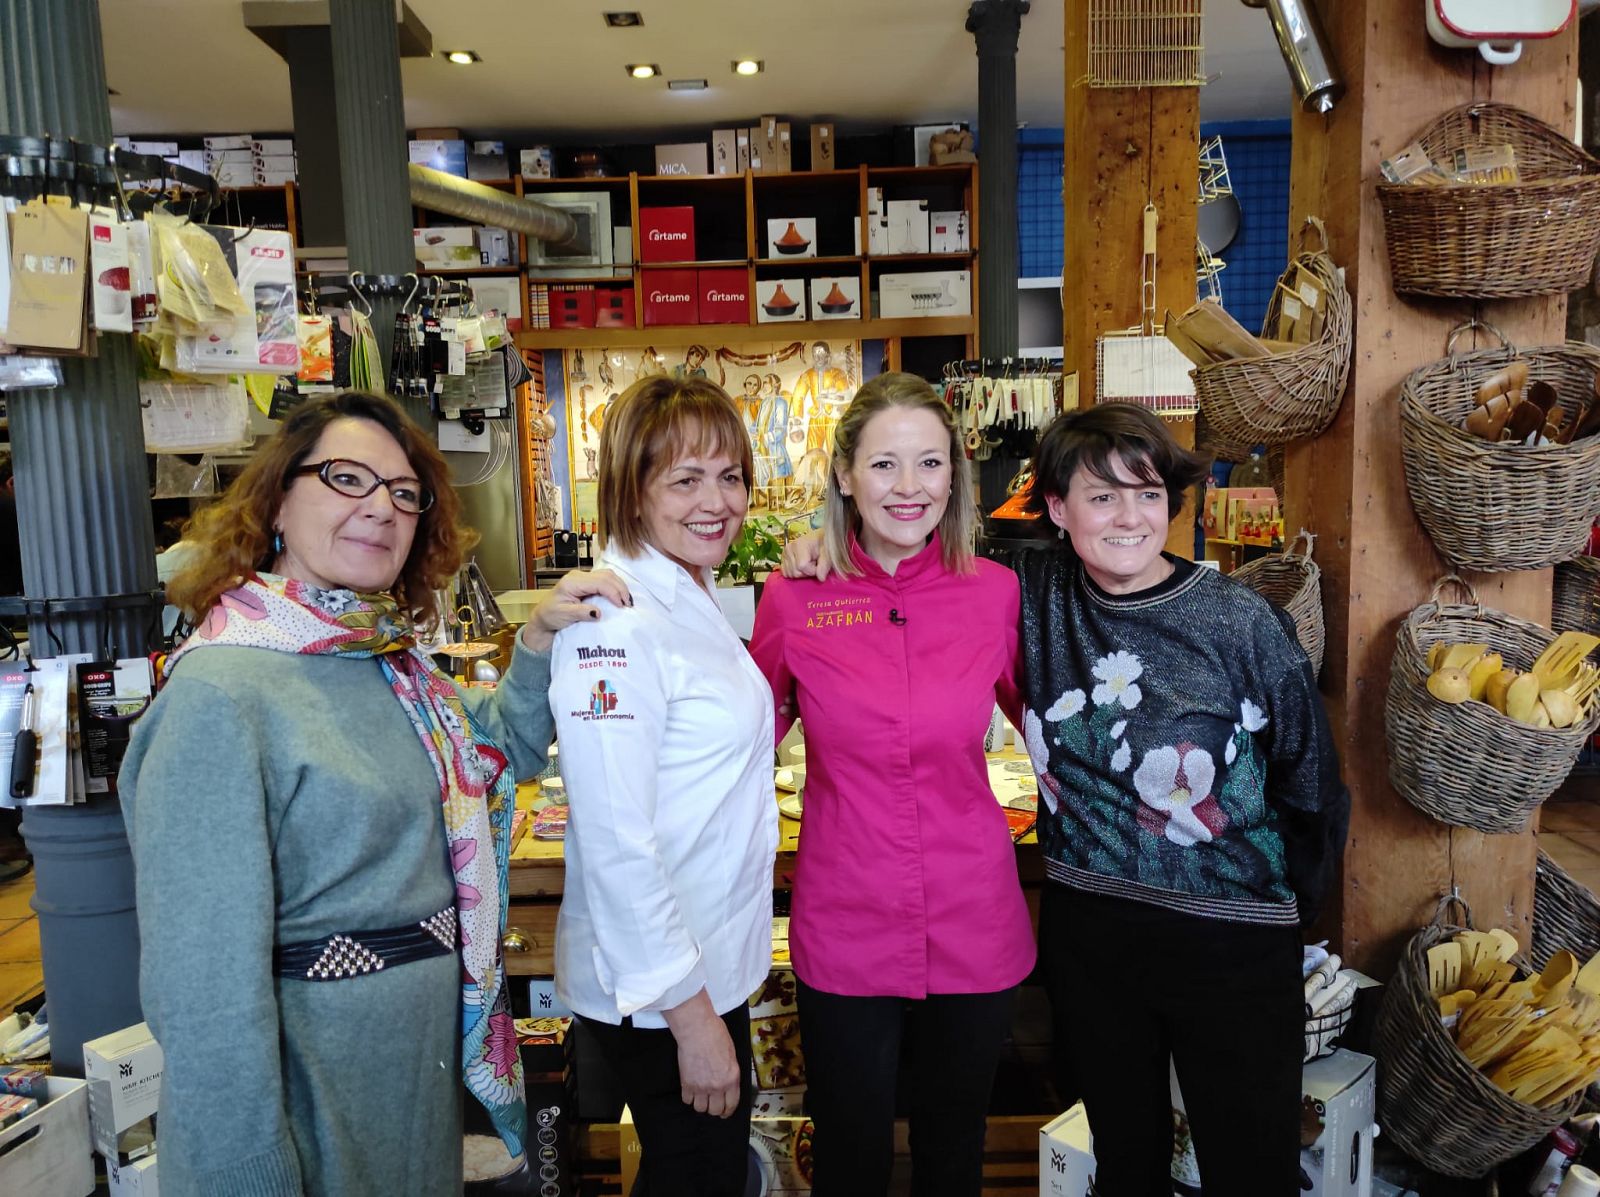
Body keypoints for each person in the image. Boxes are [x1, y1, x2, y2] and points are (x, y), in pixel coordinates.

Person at [120, 391, 626, 1196]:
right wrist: (243, 1167)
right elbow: (202, 985)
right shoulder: (220, 696)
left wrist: (536, 640)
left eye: (402, 492)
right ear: (278, 498)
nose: (379, 509)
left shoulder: (391, 664)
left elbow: (497, 750)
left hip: (411, 1087)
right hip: (314, 1097)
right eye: (347, 478)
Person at [1016, 402, 1348, 1197]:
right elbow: (920, 574)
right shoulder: (1030, 600)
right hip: (1091, 935)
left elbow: (1310, 779)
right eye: (1102, 496)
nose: (1130, 516)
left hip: (1229, 939)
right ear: (1058, 509)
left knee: (1250, 1166)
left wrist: (1280, 909)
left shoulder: (1241, 622)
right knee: (1126, 1162)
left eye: (1149, 492)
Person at [750, 372, 1034, 1196]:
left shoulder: (997, 593)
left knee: (954, 1152)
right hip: (847, 915)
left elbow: (1059, 730)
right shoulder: (795, 596)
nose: (909, 489)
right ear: (844, 474)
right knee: (850, 1152)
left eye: (929, 464)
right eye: (884, 466)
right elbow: (737, 743)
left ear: (956, 474)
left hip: (972, 912)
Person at [549, 375, 776, 1194]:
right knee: (698, 1177)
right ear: (632, 491)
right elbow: (615, 839)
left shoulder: (689, 589)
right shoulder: (616, 620)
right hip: (660, 989)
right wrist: (691, 1019)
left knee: (704, 1173)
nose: (717, 501)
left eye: (730, 475)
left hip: (705, 963)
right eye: (685, 479)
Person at [791, 342, 850, 454]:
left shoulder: (838, 373)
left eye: (821, 353)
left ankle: (833, 471)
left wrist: (838, 410)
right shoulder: (808, 375)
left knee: (834, 451)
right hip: (816, 416)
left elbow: (844, 395)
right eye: (814, 354)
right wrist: (797, 417)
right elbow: (798, 395)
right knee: (812, 451)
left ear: (828, 355)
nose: (817, 357)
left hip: (833, 417)